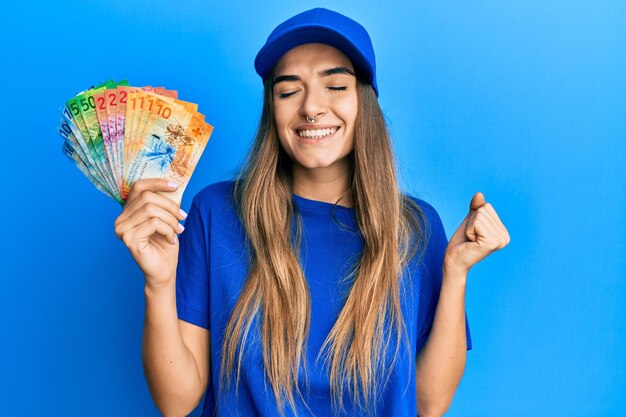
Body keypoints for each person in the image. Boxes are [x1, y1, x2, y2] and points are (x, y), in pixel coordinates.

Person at [113, 7, 510, 417]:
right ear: (273, 110)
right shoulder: (216, 213)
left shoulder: (416, 228)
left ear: (364, 102)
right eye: (288, 91)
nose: (311, 108)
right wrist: (158, 283)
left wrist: (456, 272)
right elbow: (176, 402)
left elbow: (429, 404)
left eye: (335, 86)